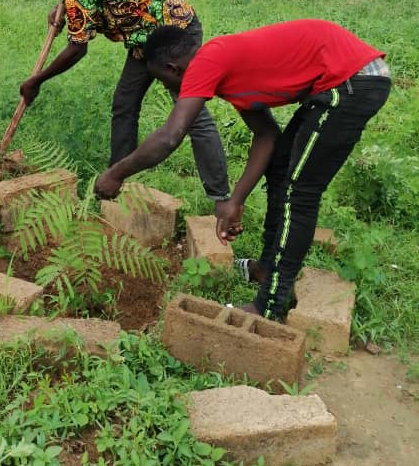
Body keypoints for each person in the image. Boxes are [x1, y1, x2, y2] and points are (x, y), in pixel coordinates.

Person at [95, 19, 391, 321]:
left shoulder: (205, 62)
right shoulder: (226, 70)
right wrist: (235, 200)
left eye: (161, 80)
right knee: (280, 167)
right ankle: (265, 269)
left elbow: (171, 136)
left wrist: (116, 173)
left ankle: (269, 304)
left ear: (172, 69)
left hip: (354, 81)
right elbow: (267, 137)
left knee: (299, 194)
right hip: (344, 80)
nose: (166, 87)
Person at [20, 0, 230, 201]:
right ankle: (116, 179)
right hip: (143, 38)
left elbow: (77, 49)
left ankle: (220, 196)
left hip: (176, 37)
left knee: (192, 117)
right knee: (124, 103)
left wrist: (37, 80)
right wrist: (65, 6)